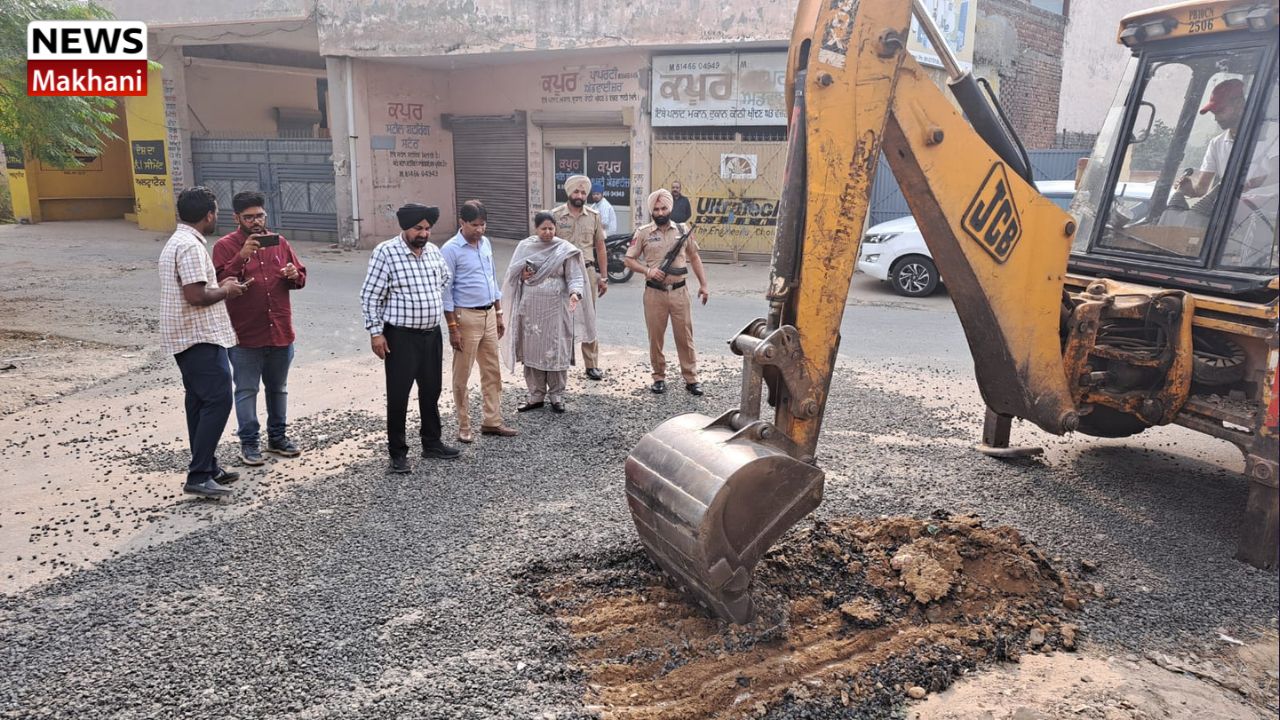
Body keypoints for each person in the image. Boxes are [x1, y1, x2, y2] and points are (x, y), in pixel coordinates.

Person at [158, 186, 249, 497]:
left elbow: (195, 288)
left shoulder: (179, 241)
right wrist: (227, 290)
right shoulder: (191, 246)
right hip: (197, 336)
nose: (216, 217)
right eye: (216, 212)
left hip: (187, 334)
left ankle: (207, 467)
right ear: (209, 215)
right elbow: (196, 296)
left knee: (198, 401)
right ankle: (198, 474)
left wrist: (220, 284)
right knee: (218, 399)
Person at [360, 202, 461, 474]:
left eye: (427, 229)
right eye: (418, 228)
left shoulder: (433, 252)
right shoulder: (386, 252)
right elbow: (370, 296)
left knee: (431, 390)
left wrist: (427, 302)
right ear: (405, 227)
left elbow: (444, 280)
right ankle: (398, 454)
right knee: (398, 396)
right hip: (400, 337)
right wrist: (376, 333)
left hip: (431, 335)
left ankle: (432, 443)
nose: (424, 234)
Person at [212, 191, 307, 467]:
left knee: (278, 388)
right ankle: (249, 444)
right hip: (245, 334)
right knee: (246, 390)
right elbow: (218, 282)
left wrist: (293, 275)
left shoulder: (279, 242)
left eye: (260, 216)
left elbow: (300, 277)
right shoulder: (225, 246)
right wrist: (241, 256)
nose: (256, 222)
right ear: (236, 218)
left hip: (280, 331)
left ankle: (277, 438)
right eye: (249, 217)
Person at [500, 211, 598, 412]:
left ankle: (557, 396)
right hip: (531, 311)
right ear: (535, 229)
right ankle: (535, 396)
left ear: (556, 228)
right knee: (533, 351)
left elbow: (575, 276)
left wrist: (575, 293)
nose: (547, 232)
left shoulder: (564, 249)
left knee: (557, 349)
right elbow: (512, 274)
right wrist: (522, 276)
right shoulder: (525, 247)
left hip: (557, 309)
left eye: (551, 228)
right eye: (543, 228)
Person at [441, 200, 518, 443]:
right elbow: (446, 292)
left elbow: (492, 279)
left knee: (492, 370)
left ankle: (492, 421)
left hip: (488, 315)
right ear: (462, 222)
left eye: (483, 224)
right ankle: (464, 425)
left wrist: (498, 313)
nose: (480, 229)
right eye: (474, 225)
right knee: (462, 374)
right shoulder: (450, 250)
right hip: (465, 317)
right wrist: (452, 328)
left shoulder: (485, 243)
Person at [624, 188, 710, 396]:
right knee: (656, 338)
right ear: (651, 211)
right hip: (654, 293)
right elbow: (628, 259)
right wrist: (648, 271)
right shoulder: (643, 232)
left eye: (664, 208)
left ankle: (691, 378)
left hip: (680, 292)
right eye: (656, 209)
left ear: (670, 209)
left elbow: (694, 257)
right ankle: (659, 377)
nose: (660, 212)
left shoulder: (682, 229)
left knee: (685, 337)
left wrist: (704, 285)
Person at [552, 174, 608, 380]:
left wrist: (604, 277)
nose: (580, 195)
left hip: (587, 272)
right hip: (562, 273)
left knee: (588, 317)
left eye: (583, 192)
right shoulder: (555, 215)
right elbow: (546, 246)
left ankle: (591, 364)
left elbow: (600, 247)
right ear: (568, 192)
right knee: (560, 318)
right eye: (576, 191)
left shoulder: (593, 216)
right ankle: (560, 361)